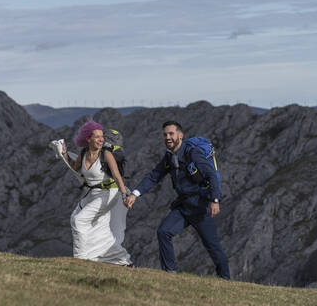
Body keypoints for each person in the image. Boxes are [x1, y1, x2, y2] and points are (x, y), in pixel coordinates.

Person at [123, 120, 230, 278]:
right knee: (164, 231)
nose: (168, 137)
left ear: (180, 135)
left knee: (212, 246)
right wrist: (135, 194)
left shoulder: (192, 153)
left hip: (200, 207)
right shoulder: (169, 156)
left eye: (171, 134)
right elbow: (154, 176)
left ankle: (225, 280)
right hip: (183, 205)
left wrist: (215, 200)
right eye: (165, 134)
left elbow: (211, 175)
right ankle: (169, 274)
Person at [60, 119, 132, 266]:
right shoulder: (83, 153)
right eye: (97, 136)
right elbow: (76, 168)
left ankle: (80, 259)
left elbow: (117, 176)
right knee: (98, 229)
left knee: (78, 221)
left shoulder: (106, 155)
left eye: (102, 136)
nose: (101, 139)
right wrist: (64, 154)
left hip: (109, 193)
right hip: (93, 194)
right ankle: (122, 259)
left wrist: (125, 195)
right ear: (88, 138)